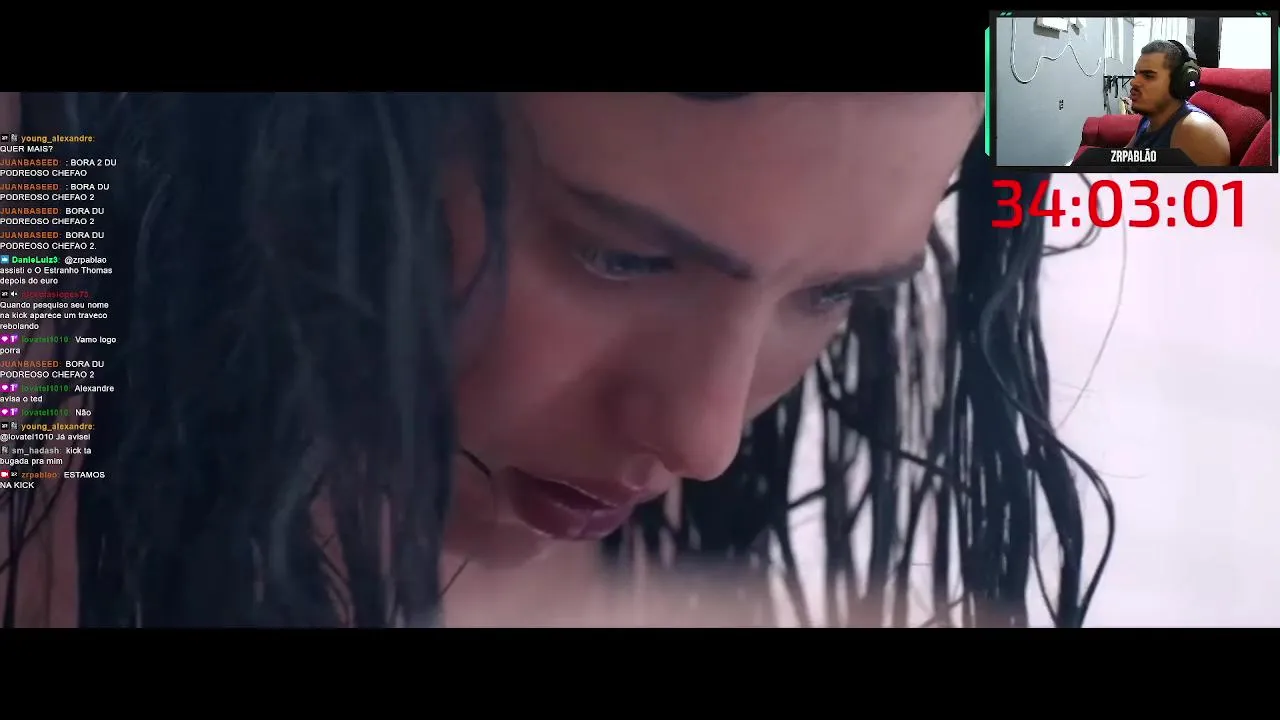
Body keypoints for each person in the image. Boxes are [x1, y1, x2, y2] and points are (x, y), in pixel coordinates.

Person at [0, 92, 1110, 628]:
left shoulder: (1010, 75)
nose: (704, 437)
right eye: (620, 257)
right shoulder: (48, 237)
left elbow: (1194, 93)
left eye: (832, 294)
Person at [1126, 39, 1231, 166]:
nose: (1134, 82)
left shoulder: (1195, 131)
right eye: (1136, 74)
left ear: (1181, 82)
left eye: (1148, 76)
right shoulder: (1150, 118)